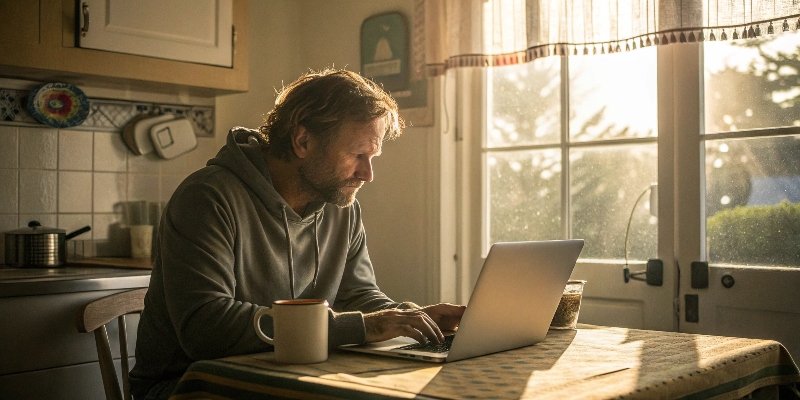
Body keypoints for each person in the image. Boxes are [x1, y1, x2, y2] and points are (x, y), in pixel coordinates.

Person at [130, 68, 466, 400]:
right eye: (357, 155)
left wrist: (412, 317)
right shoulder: (207, 198)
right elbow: (206, 328)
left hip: (291, 375)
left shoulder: (340, 205)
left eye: (372, 157)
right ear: (303, 140)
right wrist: (368, 326)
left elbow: (358, 297)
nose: (367, 174)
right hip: (191, 385)